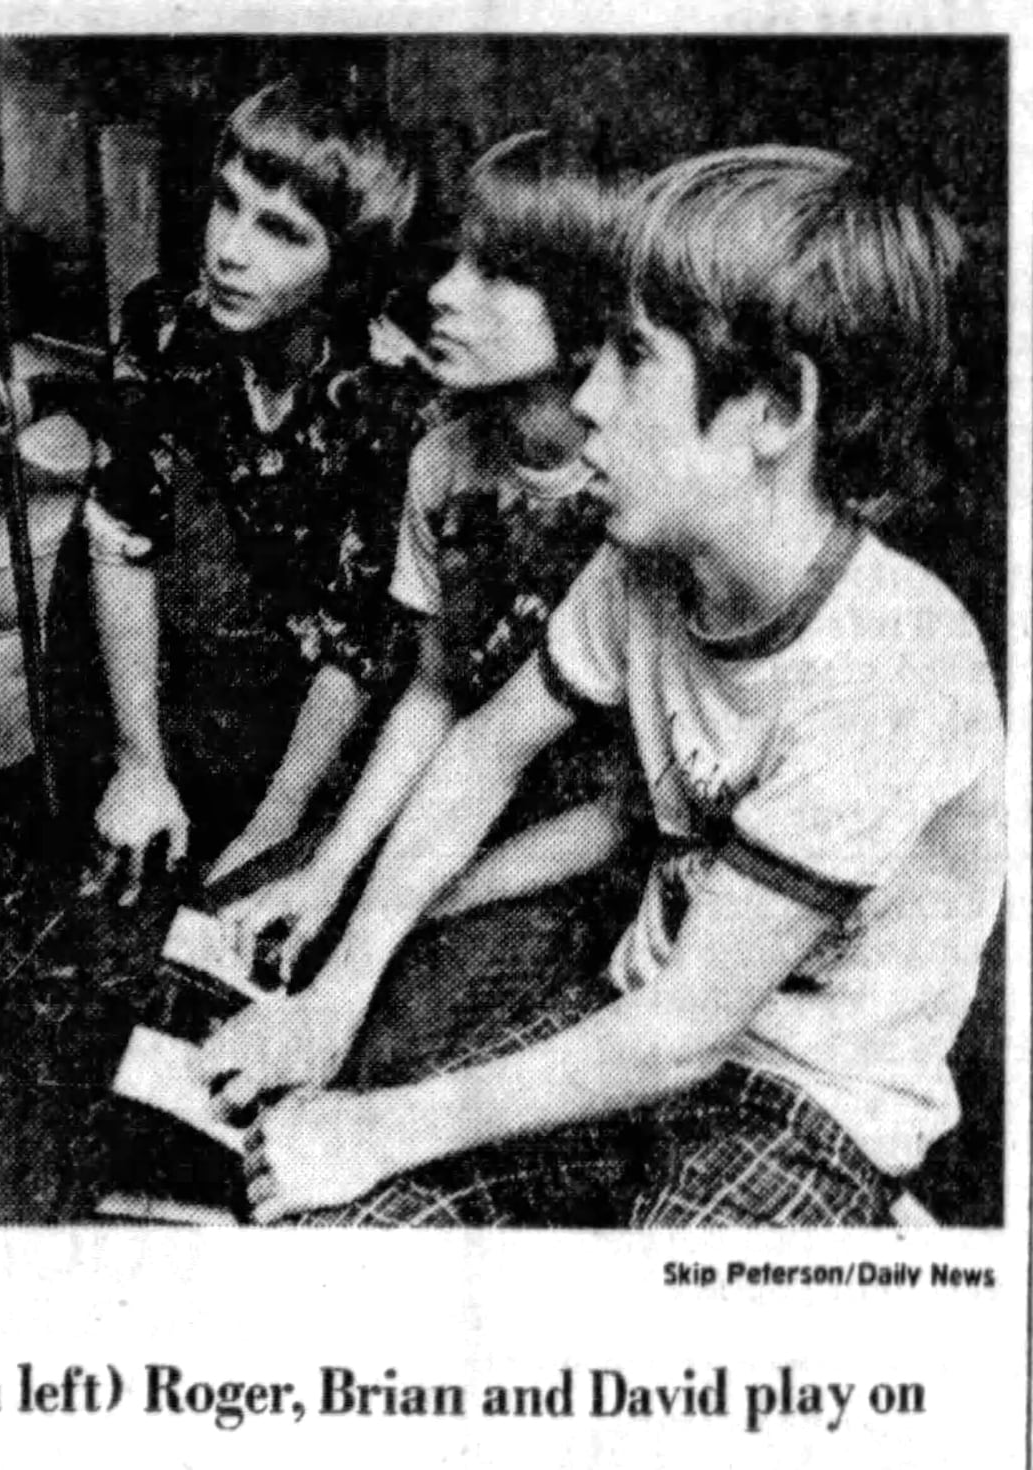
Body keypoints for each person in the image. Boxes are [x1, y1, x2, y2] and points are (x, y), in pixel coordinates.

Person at [197, 145, 1005, 1228]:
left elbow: (687, 1033)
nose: (586, 398)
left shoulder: (893, 663)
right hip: (627, 1021)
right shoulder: (641, 569)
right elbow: (485, 746)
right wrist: (333, 1002)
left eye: (631, 358)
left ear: (772, 408)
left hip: (802, 1102)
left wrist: (378, 1126)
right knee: (333, 1232)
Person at [222, 131, 641, 991]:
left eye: (493, 273)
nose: (443, 294)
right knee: (232, 931)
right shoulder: (443, 462)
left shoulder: (642, 497)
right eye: (455, 262)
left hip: (575, 865)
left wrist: (420, 898)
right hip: (446, 811)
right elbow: (436, 689)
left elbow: (623, 812)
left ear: (586, 317)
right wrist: (331, 872)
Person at [61, 79, 429, 902]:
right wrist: (138, 762)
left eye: (282, 233)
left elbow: (356, 643)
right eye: (226, 204)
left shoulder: (390, 401)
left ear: (347, 267)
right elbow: (122, 531)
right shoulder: (164, 324)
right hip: (179, 667)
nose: (229, 249)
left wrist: (275, 826)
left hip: (311, 720)